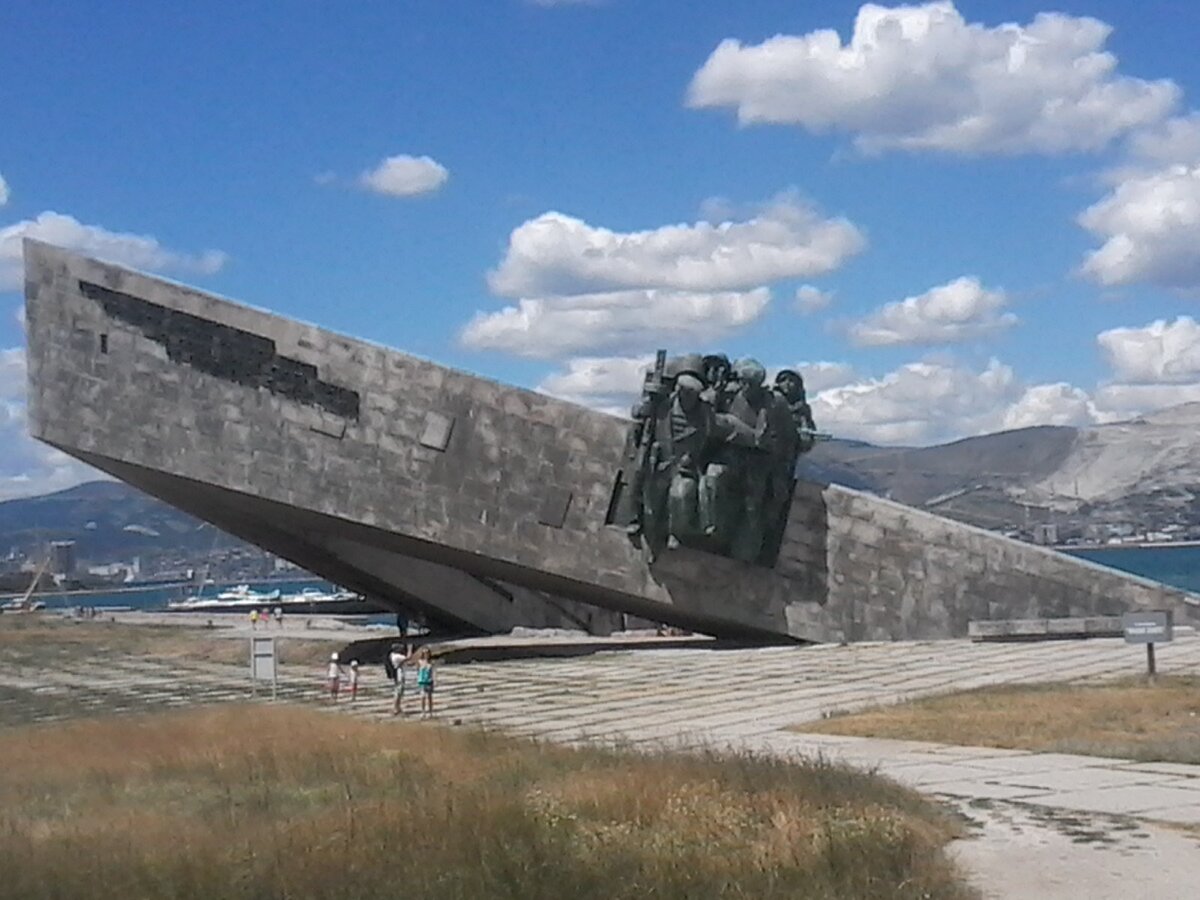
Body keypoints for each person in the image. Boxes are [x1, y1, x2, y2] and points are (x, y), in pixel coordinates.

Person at [387, 642, 409, 716]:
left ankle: (397, 707)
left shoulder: (392, 655)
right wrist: (410, 649)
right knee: (398, 692)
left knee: (398, 691)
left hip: (397, 673)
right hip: (399, 674)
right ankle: (396, 708)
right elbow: (408, 657)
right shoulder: (397, 657)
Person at [416, 647, 435, 719]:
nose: (426, 654)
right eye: (424, 653)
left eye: (427, 653)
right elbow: (418, 671)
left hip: (429, 681)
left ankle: (430, 711)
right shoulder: (420, 662)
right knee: (423, 697)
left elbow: (433, 672)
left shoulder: (431, 663)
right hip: (422, 681)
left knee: (429, 697)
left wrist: (434, 680)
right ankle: (423, 711)